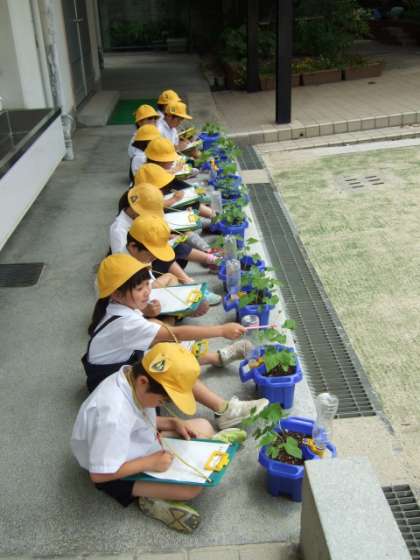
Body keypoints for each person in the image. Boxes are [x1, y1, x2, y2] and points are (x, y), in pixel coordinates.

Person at [83, 253, 268, 427]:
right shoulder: (125, 324)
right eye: (140, 289)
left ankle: (218, 357)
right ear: (117, 294)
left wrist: (150, 311)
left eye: (147, 284)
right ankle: (225, 410)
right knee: (172, 364)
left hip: (121, 366)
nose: (147, 291)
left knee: (164, 341)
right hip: (111, 382)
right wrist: (221, 330)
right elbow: (176, 334)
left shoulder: (116, 306)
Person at [72, 342, 215, 533]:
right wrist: (150, 463)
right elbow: (99, 475)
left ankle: (154, 491)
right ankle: (150, 500)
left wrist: (171, 422)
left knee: (204, 426)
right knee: (191, 489)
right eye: (163, 400)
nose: (162, 404)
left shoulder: (132, 376)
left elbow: (136, 419)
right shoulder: (113, 416)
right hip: (113, 472)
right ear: (143, 381)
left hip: (137, 442)